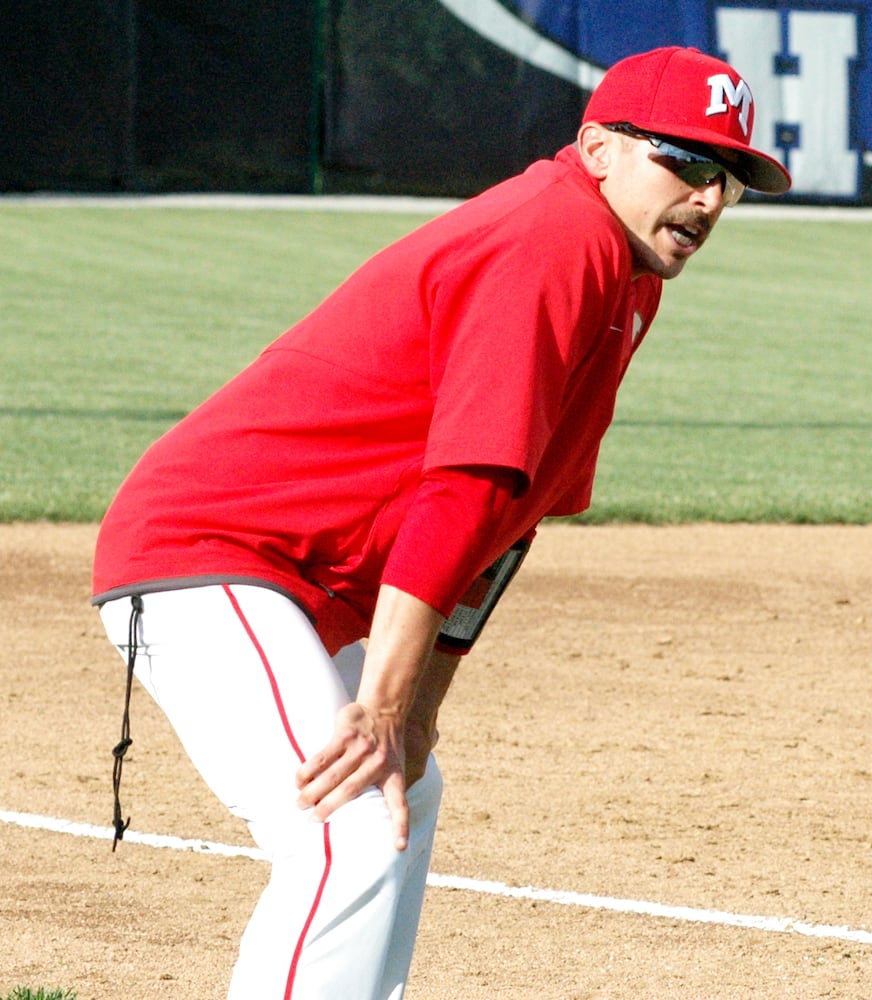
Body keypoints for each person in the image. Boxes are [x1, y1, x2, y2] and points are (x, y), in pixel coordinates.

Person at [93, 45, 790, 999]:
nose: (708, 200)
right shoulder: (557, 237)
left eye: (730, 179)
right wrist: (377, 706)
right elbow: (463, 480)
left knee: (398, 796)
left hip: (291, 573)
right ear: (596, 149)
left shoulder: (628, 279)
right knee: (342, 821)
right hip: (208, 552)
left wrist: (414, 710)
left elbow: (506, 520)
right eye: (685, 162)